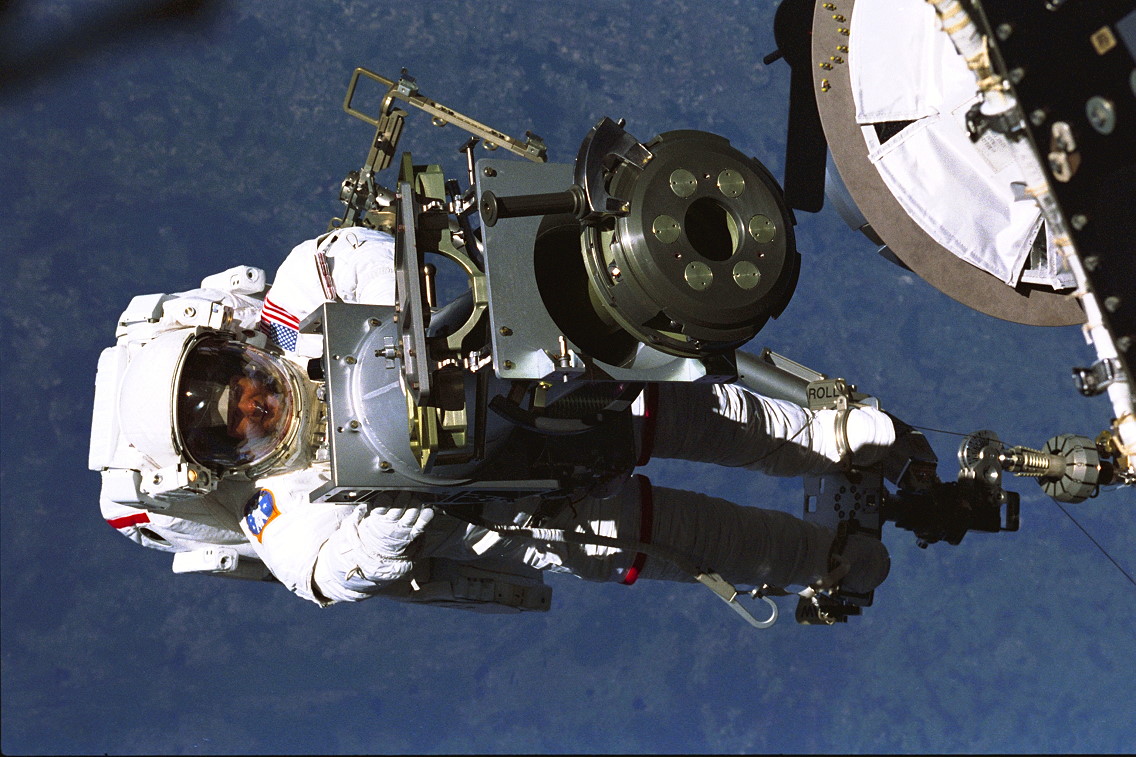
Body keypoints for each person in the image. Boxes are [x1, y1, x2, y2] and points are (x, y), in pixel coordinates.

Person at [93, 227, 897, 613]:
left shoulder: (302, 298)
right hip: (517, 512)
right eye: (233, 426)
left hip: (528, 391)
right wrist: (409, 486)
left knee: (688, 412)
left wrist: (406, 348)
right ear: (218, 464)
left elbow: (367, 256)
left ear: (233, 345)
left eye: (236, 381)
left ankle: (827, 440)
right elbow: (338, 569)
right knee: (686, 538)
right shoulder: (279, 514)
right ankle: (823, 559)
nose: (256, 403)